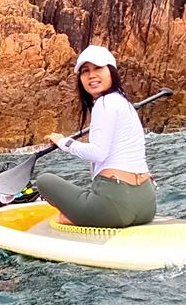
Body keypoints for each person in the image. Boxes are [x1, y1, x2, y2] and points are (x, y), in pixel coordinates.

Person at [37, 45, 157, 228]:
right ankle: (92, 212)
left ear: (111, 71)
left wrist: (63, 142)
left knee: (44, 180)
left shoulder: (104, 103)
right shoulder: (124, 103)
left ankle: (76, 218)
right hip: (147, 205)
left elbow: (98, 154)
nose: (91, 75)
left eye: (98, 68)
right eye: (85, 71)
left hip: (116, 207)